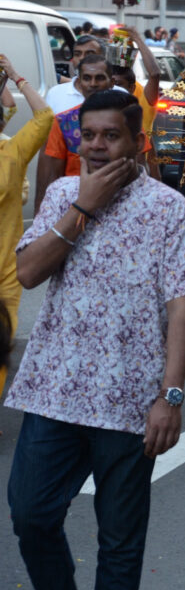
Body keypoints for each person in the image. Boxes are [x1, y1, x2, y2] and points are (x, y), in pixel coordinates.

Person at [6, 89, 185, 590]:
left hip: (129, 403)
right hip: (54, 392)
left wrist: (171, 395)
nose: (95, 146)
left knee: (119, 542)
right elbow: (27, 273)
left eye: (110, 135)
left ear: (137, 143)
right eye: (87, 135)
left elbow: (182, 306)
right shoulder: (63, 195)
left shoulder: (170, 209)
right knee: (30, 515)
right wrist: (82, 208)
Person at [0, 54, 53, 397]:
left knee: (2, 341)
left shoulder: (12, 151)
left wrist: (16, 76)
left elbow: (44, 116)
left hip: (5, 272)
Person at [36, 56, 154, 209]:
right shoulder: (63, 123)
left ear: (111, 83)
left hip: (123, 208)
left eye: (99, 78)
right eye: (87, 78)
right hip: (74, 210)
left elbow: (141, 168)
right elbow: (49, 178)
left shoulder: (128, 120)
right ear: (79, 83)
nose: (93, 84)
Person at [44, 34, 105, 112]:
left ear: (103, 57)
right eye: (77, 54)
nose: (81, 58)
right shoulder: (55, 93)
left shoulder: (118, 94)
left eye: (89, 54)